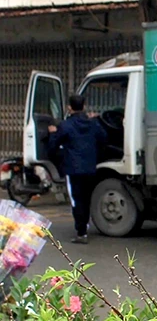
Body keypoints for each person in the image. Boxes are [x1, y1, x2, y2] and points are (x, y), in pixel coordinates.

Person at [48, 94, 106, 244]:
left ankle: (81, 232)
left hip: (73, 168)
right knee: (86, 198)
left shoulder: (65, 125)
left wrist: (53, 133)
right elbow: (103, 138)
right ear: (84, 106)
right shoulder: (92, 124)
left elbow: (53, 145)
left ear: (69, 108)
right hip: (90, 167)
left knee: (76, 200)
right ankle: (85, 226)